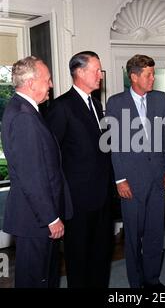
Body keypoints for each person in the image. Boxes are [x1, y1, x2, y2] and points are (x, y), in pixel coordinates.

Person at [1, 56, 73, 288]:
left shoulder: (25, 110)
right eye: (48, 79)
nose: (51, 85)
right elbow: (32, 176)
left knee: (45, 276)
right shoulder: (23, 116)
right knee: (35, 279)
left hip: (35, 216)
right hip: (36, 219)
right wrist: (51, 218)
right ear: (32, 83)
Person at [106, 54, 165, 288]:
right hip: (131, 181)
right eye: (148, 74)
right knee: (133, 236)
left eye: (153, 73)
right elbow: (113, 145)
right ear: (133, 76)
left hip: (158, 179)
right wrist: (120, 179)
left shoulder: (161, 99)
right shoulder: (115, 103)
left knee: (156, 233)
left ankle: (152, 279)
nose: (153, 79)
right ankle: (135, 284)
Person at [46, 51, 113, 288]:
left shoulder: (96, 104)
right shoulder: (61, 107)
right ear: (80, 72)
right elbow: (52, 158)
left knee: (101, 258)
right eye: (96, 70)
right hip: (77, 203)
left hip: (102, 199)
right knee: (79, 260)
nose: (100, 76)